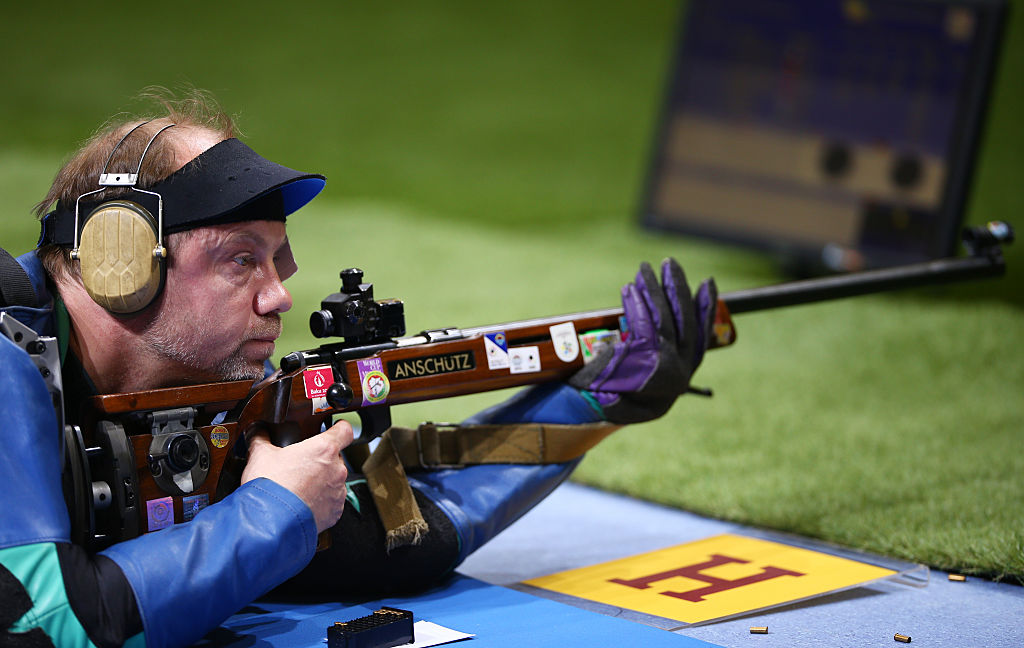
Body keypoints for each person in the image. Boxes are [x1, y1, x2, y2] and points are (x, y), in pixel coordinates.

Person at [0, 91, 717, 648]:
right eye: (241, 259)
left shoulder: (194, 403)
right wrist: (269, 514)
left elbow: (405, 537)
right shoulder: (7, 361)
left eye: (278, 261)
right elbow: (52, 626)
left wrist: (588, 405)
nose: (280, 295)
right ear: (118, 263)